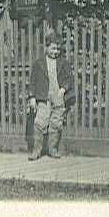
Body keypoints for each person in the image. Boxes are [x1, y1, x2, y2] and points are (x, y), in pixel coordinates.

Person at [25, 29, 75, 160]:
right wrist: (32, 97)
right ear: (46, 47)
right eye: (53, 48)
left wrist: (63, 89)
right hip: (43, 97)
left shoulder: (63, 63)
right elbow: (33, 82)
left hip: (58, 97)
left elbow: (69, 78)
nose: (55, 52)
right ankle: (36, 150)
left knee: (56, 123)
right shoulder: (38, 63)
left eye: (58, 49)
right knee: (40, 122)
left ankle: (53, 149)